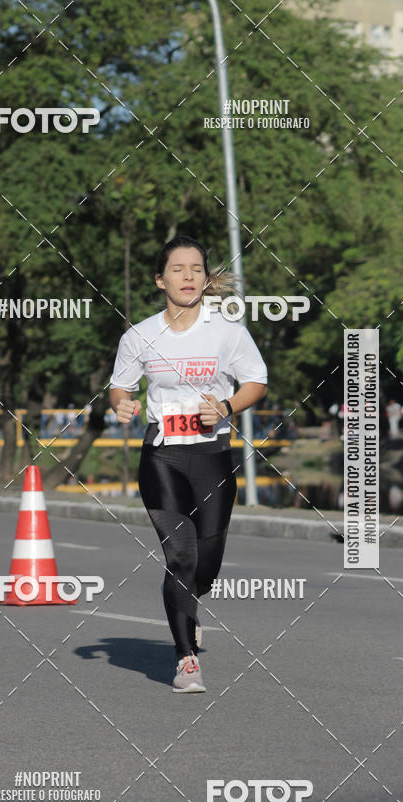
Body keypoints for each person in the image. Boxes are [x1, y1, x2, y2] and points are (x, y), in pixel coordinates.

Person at [109, 236, 267, 692]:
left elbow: (257, 381)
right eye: (178, 269)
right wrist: (122, 405)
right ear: (161, 280)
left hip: (212, 457)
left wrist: (227, 406)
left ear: (204, 277)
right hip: (162, 455)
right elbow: (120, 388)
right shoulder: (139, 335)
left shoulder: (227, 331)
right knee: (180, 556)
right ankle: (185, 659)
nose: (188, 277)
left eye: (196, 268)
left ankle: (189, 606)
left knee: (207, 564)